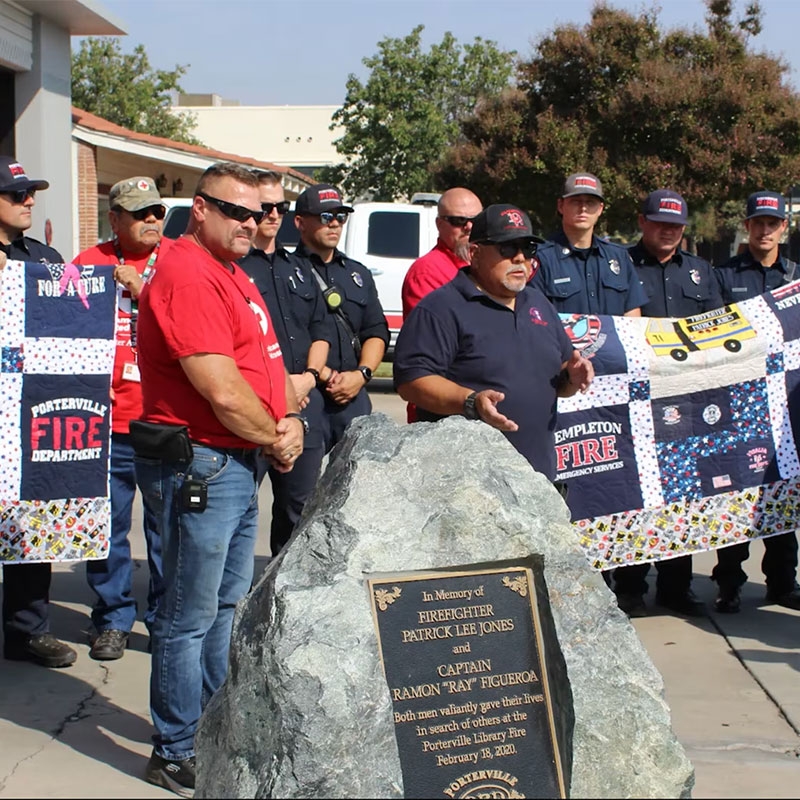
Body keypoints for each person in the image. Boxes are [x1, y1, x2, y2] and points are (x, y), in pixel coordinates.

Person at [133, 162, 304, 797]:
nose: (250, 222)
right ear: (198, 209)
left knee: (224, 608)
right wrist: (274, 433)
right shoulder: (185, 272)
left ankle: (210, 726)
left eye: (257, 213)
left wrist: (286, 422)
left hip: (235, 460)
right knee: (186, 616)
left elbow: (267, 363)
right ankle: (174, 747)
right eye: (234, 211)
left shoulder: (234, 273)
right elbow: (220, 389)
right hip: (200, 461)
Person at [393, 203, 594, 482]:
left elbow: (559, 381)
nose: (520, 258)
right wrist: (471, 401)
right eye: (508, 248)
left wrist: (572, 378)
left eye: (528, 249)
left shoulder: (538, 303)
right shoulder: (441, 309)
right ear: (474, 253)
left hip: (537, 482)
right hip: (467, 485)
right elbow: (412, 382)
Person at [72, 177, 170, 661]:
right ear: (114, 220)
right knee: (105, 528)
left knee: (166, 530)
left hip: (163, 422)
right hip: (102, 423)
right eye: (140, 213)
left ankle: (163, 620)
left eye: (156, 211)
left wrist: (144, 289)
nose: (152, 220)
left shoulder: (179, 261)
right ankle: (112, 618)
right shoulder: (87, 265)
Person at [614, 189, 724, 619]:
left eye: (676, 226)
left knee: (682, 494)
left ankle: (677, 587)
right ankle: (630, 587)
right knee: (634, 495)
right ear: (642, 221)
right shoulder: (619, 264)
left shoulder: (701, 272)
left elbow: (716, 330)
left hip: (687, 399)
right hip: (635, 399)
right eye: (660, 222)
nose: (667, 231)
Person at [0, 156, 76, 669]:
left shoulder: (45, 258)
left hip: (32, 414)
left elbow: (77, 320)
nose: (29, 201)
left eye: (31, 193)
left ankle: (28, 630)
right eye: (16, 194)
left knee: (32, 526)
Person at [711, 190, 800, 613]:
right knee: (735, 495)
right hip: (738, 403)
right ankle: (728, 583)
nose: (765, 230)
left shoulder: (797, 277)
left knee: (783, 488)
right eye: (758, 223)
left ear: (784, 227)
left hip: (784, 407)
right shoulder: (722, 277)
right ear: (746, 226)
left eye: (773, 223)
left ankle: (783, 583)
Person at [238, 171, 335, 555]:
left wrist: (309, 379)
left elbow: (321, 330)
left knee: (300, 512)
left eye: (281, 206)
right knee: (241, 513)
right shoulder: (235, 269)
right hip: (254, 409)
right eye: (266, 207)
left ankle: (282, 601)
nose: (274, 214)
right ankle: (236, 604)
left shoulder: (299, 268)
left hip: (304, 406)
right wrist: (283, 388)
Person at [290, 183, 389, 453]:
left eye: (340, 216)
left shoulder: (357, 274)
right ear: (300, 223)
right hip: (308, 395)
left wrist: (362, 374)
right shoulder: (286, 273)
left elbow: (376, 331)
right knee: (302, 492)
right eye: (325, 217)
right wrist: (325, 375)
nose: (334, 224)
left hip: (353, 395)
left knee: (356, 487)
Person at [533, 172, 647, 316]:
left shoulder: (619, 257)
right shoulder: (542, 258)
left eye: (590, 202)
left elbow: (632, 313)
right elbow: (536, 317)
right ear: (561, 206)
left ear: (600, 209)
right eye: (576, 201)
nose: (583, 209)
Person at [401, 187, 483, 319]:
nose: (469, 227)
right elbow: (430, 330)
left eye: (477, 220)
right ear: (439, 224)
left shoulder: (491, 263)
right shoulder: (426, 272)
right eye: (459, 221)